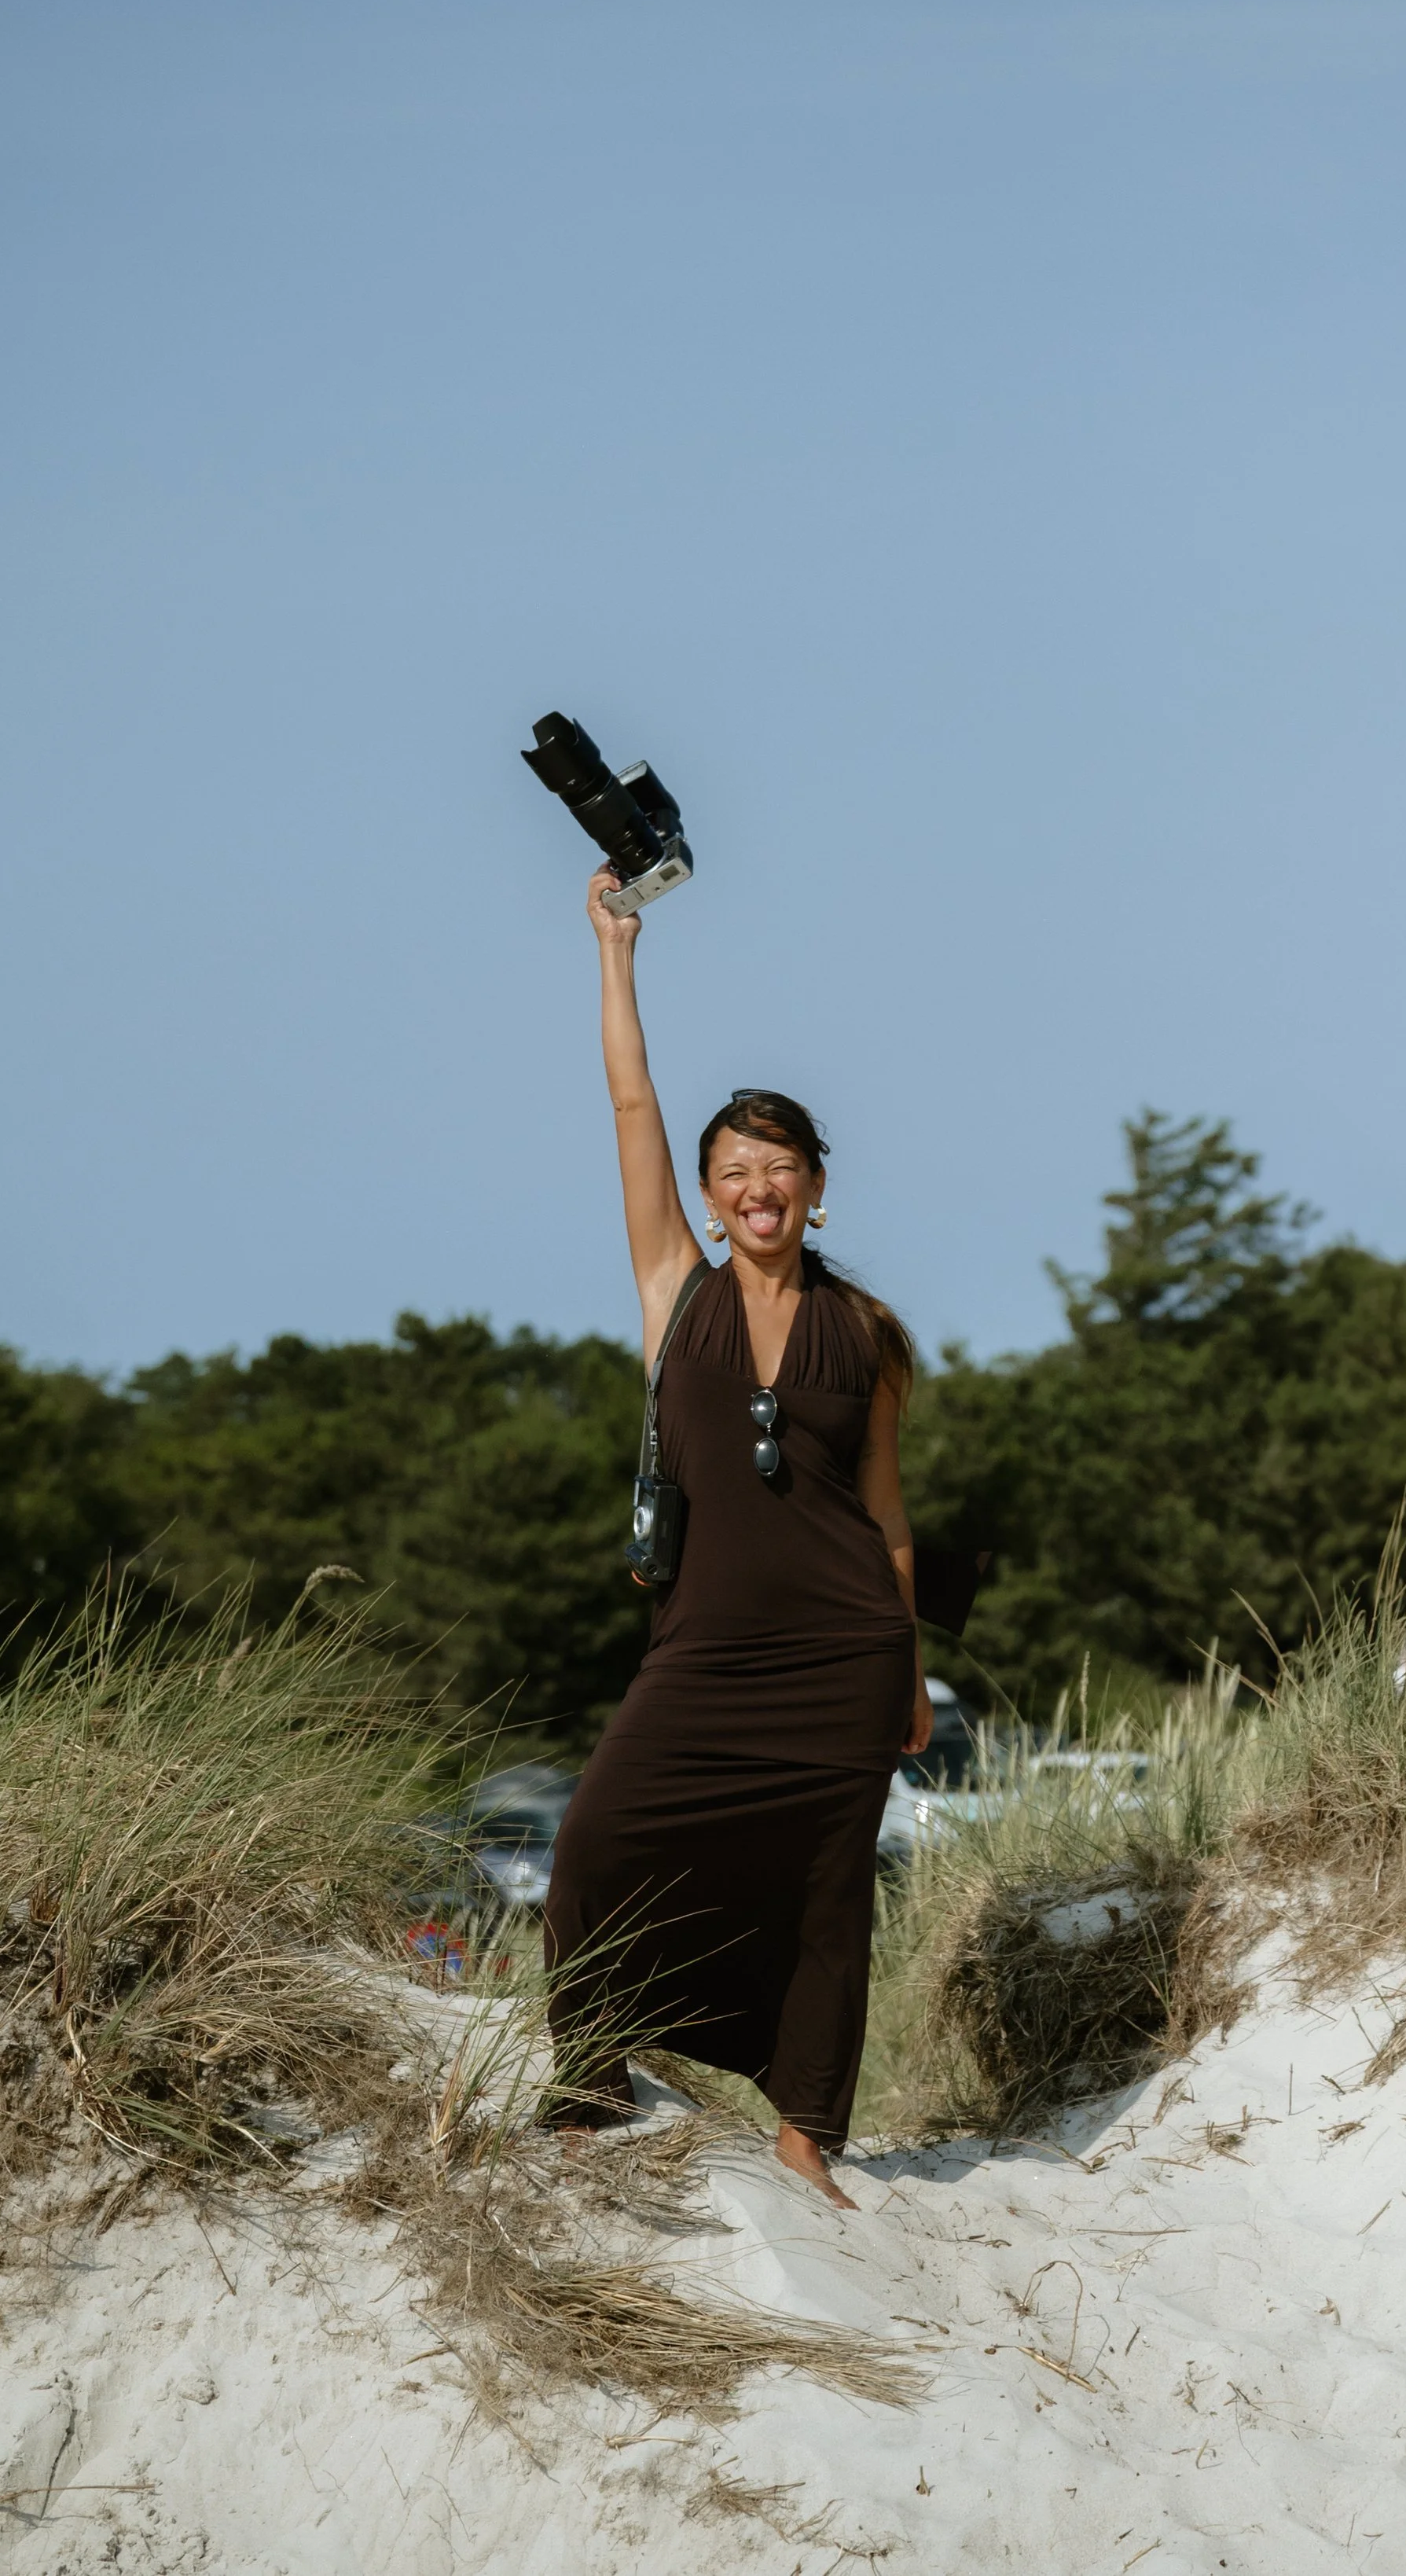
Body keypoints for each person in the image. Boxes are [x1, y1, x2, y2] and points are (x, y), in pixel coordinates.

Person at [542, 863, 931, 2208]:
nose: (756, 1187)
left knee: (832, 1895)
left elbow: (883, 1508)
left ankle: (809, 2130)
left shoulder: (868, 1334)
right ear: (708, 1197)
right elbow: (630, 1102)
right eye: (734, 1171)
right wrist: (615, 952)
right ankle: (589, 2078)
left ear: (817, 1186)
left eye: (780, 1167)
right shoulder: (675, 1292)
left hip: (847, 1654)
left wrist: (915, 1674)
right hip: (704, 1648)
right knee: (595, 1835)